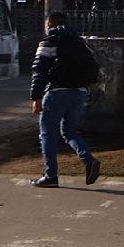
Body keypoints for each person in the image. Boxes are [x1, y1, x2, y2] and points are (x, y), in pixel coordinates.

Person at [29, 11, 103, 188]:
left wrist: (36, 97)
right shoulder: (79, 42)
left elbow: (39, 70)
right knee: (69, 131)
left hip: (56, 93)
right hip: (79, 93)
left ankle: (51, 176)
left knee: (47, 134)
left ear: (49, 25)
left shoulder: (49, 42)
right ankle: (88, 159)